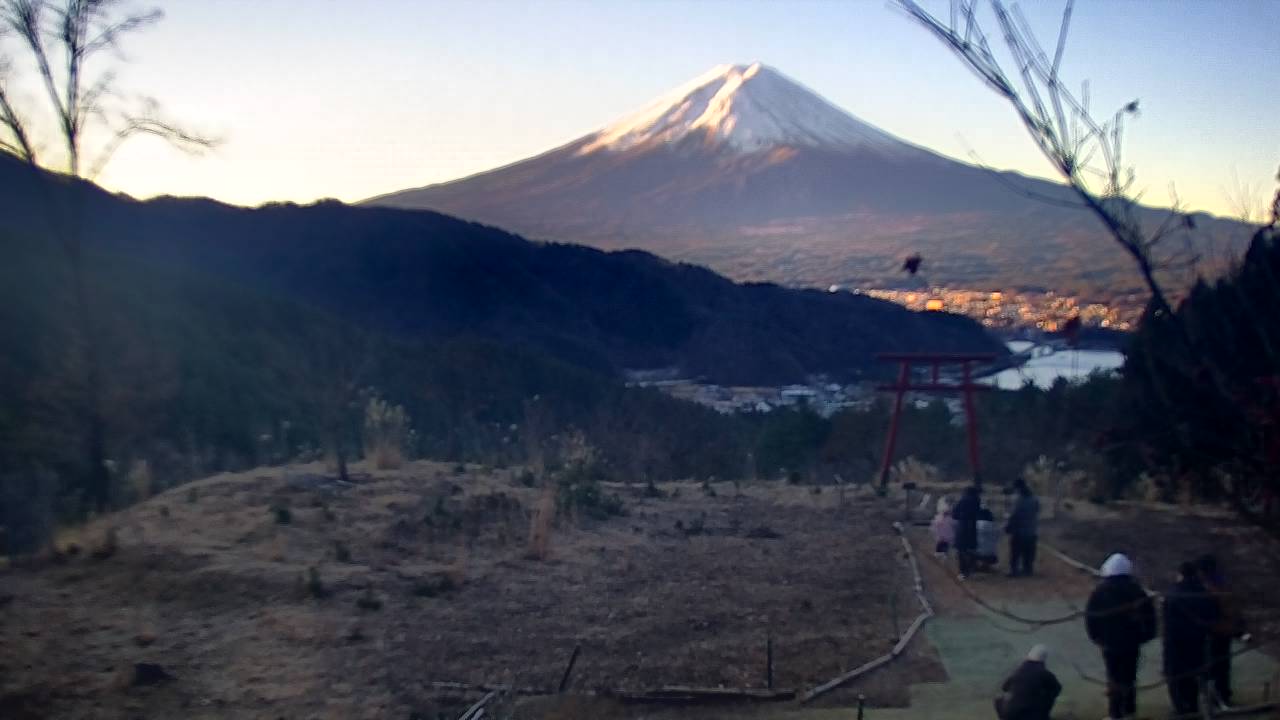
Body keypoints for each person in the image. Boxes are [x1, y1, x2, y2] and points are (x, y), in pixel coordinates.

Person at [1085, 553, 1157, 720]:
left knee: (1113, 676)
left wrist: (1096, 637)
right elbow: (1150, 617)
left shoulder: (1100, 592)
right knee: (1130, 676)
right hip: (1131, 642)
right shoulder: (1137, 591)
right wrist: (1145, 636)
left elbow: (1091, 617)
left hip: (1109, 643)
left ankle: (1115, 712)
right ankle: (1129, 710)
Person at [1163, 561, 1220, 716]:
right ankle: (1193, 708)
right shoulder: (1204, 593)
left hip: (1176, 644)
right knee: (1196, 678)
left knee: (1176, 680)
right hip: (1199, 642)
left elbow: (1168, 624)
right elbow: (1213, 616)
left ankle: (1181, 710)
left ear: (1180, 574)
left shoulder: (1172, 594)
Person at [1197, 554, 1246, 710]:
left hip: (1214, 631)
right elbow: (1233, 609)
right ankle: (1222, 695)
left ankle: (1215, 697)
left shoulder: (1206, 586)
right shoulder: (1222, 583)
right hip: (1225, 630)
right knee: (1222, 665)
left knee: (1212, 666)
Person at [995, 644, 1062, 720]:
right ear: (1044, 660)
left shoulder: (1018, 671)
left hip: (1008, 715)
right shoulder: (1044, 673)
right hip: (1029, 716)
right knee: (1048, 695)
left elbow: (1004, 688)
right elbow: (1057, 688)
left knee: (999, 697)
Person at [1005, 479, 1040, 577]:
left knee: (1015, 552)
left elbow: (1014, 515)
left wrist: (1009, 526)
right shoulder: (1034, 499)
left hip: (1019, 531)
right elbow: (1037, 511)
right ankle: (1028, 569)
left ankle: (1014, 570)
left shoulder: (1017, 499)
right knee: (1028, 552)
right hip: (1031, 530)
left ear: (1017, 488)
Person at [952, 484, 981, 579]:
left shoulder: (963, 501)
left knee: (961, 550)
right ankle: (971, 569)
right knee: (971, 549)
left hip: (963, 526)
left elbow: (954, 514)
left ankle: (963, 572)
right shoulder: (977, 501)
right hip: (972, 527)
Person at [977, 505, 1000, 570]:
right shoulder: (995, 525)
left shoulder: (977, 524)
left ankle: (975, 565)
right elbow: (997, 537)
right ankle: (986, 565)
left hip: (978, 553)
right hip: (992, 554)